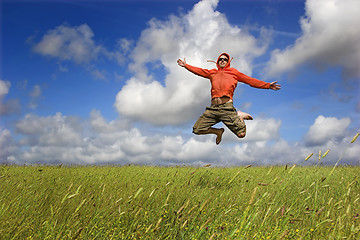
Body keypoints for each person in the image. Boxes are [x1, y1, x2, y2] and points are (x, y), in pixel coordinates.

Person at [177, 52, 281, 145]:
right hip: (213, 109)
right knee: (197, 130)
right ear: (217, 62)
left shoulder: (234, 73)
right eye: (220, 59)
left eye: (225, 59)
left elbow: (250, 81)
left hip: (227, 108)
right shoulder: (212, 73)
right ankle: (218, 132)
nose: (222, 60)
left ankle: (239, 115)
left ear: (228, 62)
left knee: (241, 134)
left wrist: (267, 85)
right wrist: (186, 66)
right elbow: (199, 71)